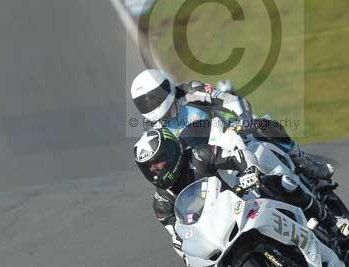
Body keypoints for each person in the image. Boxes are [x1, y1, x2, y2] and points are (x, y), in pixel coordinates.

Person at [133, 127, 349, 267]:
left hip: (244, 204)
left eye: (159, 161)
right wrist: (187, 252)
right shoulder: (161, 203)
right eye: (149, 168)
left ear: (172, 151)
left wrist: (249, 171)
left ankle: (330, 221)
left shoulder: (198, 156)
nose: (156, 170)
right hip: (216, 236)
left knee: (280, 183)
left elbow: (236, 156)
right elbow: (178, 236)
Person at [130, 68, 334, 182]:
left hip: (230, 133)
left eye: (153, 97)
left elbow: (230, 100)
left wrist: (243, 122)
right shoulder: (153, 128)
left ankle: (303, 161)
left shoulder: (191, 90)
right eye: (144, 101)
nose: (151, 103)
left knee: (263, 124)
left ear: (165, 88)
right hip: (205, 159)